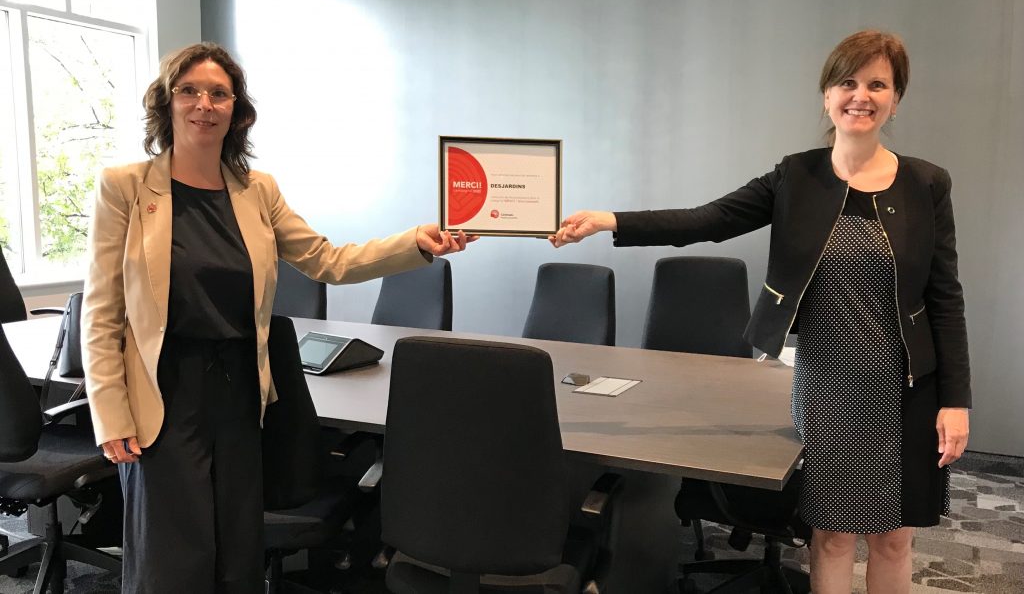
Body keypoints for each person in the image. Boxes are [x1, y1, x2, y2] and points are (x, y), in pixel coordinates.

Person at [549, 30, 970, 593]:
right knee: (833, 536)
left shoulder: (926, 183)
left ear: (895, 99)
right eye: (847, 82)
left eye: (877, 84)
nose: (860, 96)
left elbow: (945, 297)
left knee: (895, 539)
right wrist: (611, 220)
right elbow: (707, 220)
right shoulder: (796, 177)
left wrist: (956, 401)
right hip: (828, 381)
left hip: (908, 386)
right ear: (827, 95)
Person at [81, 41, 474, 593]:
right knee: (172, 555)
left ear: (236, 110)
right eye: (189, 91)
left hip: (242, 388)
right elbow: (103, 310)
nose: (204, 104)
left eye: (219, 94)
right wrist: (110, 412)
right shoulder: (124, 186)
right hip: (164, 389)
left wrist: (415, 242)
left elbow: (328, 260)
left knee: (238, 548)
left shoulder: (256, 190)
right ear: (166, 102)